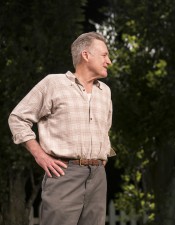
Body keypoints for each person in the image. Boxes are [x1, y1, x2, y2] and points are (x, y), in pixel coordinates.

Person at [8, 32, 114, 225]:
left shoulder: (105, 92)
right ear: (86, 55)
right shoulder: (54, 84)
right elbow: (17, 118)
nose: (109, 61)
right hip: (64, 173)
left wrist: (102, 157)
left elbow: (105, 129)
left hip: (98, 177)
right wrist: (39, 155)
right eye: (104, 55)